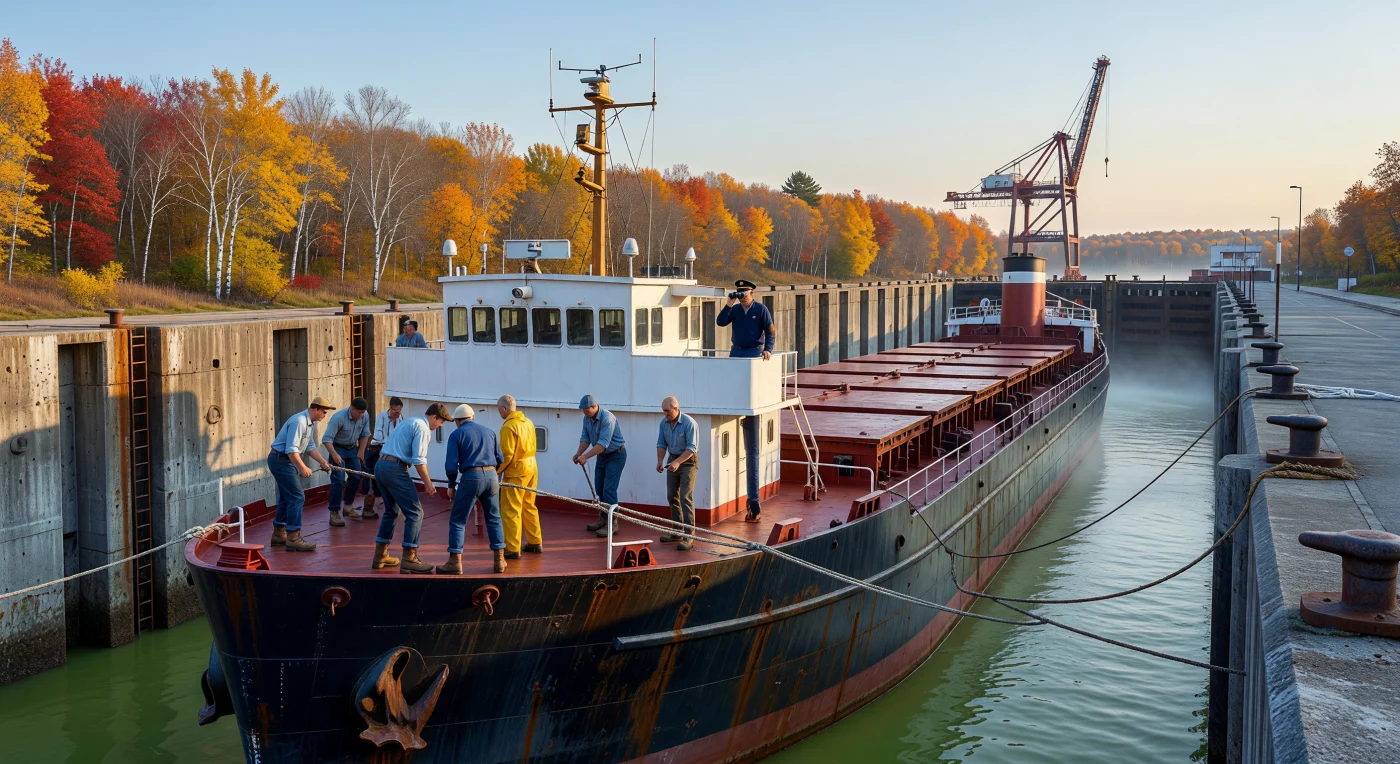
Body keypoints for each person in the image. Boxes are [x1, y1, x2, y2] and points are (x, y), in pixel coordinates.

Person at [715, 279, 775, 521]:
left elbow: (770, 331)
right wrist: (728, 304)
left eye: (744, 294)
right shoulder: (736, 309)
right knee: (733, 388)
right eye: (739, 294)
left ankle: (754, 502)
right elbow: (720, 322)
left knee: (749, 392)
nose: (742, 297)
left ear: (752, 292)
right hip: (736, 351)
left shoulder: (761, 310)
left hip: (753, 352)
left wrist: (768, 349)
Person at [372, 402, 448, 574]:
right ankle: (409, 558)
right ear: (434, 417)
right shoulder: (423, 428)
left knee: (391, 511)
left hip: (381, 465)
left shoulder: (410, 421)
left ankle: (380, 555)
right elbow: (419, 461)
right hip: (395, 469)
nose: (440, 426)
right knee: (416, 513)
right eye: (441, 422)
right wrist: (428, 484)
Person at [441, 404, 506, 574]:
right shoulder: (490, 432)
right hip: (492, 477)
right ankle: (499, 560)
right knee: (494, 518)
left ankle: (455, 562)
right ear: (472, 418)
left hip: (471, 477)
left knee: (458, 520)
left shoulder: (456, 434)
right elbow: (500, 459)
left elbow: (450, 466)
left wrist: (451, 484)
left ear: (457, 421)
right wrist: (492, 474)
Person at [268, 396, 336, 552]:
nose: (324, 415)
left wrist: (323, 462)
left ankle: (279, 533)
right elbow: (291, 450)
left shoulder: (309, 423)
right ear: (315, 409)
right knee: (297, 496)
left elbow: (310, 446)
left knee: (287, 496)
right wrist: (303, 467)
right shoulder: (299, 422)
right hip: (281, 460)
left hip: (283, 460)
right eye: (324, 412)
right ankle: (293, 537)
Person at [573, 394, 626, 537]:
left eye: (586, 410)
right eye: (583, 410)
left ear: (594, 407)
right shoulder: (587, 418)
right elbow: (586, 438)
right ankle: (603, 519)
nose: (584, 413)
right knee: (599, 488)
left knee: (609, 489)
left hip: (616, 455)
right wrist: (579, 453)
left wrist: (586, 456)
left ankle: (612, 524)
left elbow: (603, 444)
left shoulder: (607, 419)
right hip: (602, 456)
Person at [497, 395, 543, 559]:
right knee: (529, 504)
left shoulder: (509, 427)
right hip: (532, 466)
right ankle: (535, 541)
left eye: (499, 409)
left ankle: (512, 547)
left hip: (516, 470)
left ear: (504, 408)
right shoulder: (528, 422)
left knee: (511, 509)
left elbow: (507, 455)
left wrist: (497, 471)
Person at [655, 396, 698, 551]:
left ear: (676, 408)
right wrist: (660, 460)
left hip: (687, 462)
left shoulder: (689, 423)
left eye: (667, 411)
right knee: (671, 495)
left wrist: (678, 462)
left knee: (685, 497)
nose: (665, 414)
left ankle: (689, 536)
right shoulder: (664, 423)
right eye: (663, 411)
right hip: (672, 459)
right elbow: (661, 443)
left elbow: (691, 448)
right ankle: (677, 530)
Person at [320, 397, 370, 527]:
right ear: (351, 408)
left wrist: (361, 451)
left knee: (356, 476)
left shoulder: (365, 416)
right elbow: (326, 439)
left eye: (363, 412)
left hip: (353, 448)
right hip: (338, 448)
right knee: (339, 479)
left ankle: (348, 506)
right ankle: (334, 512)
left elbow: (365, 434)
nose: (361, 415)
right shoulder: (338, 418)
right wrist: (334, 454)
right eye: (358, 412)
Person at [361, 397, 404, 519]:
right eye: (395, 411)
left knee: (391, 478)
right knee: (372, 479)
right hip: (377, 451)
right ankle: (367, 508)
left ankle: (393, 505)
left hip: (393, 452)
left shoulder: (400, 418)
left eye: (399, 411)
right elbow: (379, 436)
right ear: (390, 409)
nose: (397, 414)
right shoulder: (382, 417)